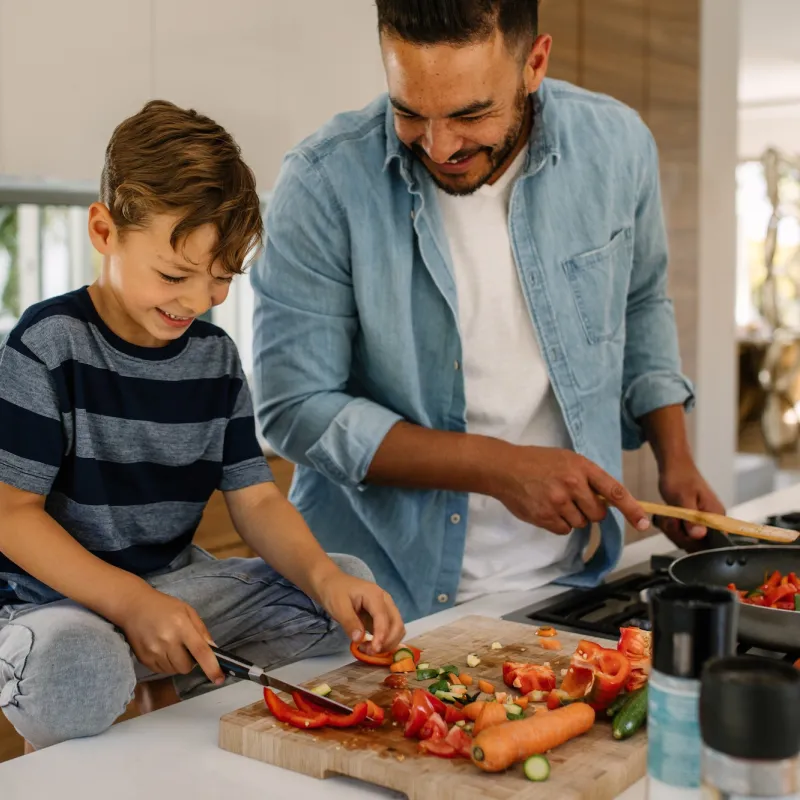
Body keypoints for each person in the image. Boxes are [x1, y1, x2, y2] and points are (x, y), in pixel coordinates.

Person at [250, 0, 724, 623]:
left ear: (534, 63)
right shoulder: (322, 182)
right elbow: (293, 410)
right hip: (369, 599)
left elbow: (640, 301)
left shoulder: (616, 146)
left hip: (564, 585)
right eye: (408, 111)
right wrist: (499, 467)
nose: (439, 145)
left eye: (471, 113)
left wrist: (675, 457)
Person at [0, 100, 405, 750]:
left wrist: (327, 579)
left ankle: (154, 678)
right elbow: (10, 514)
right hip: (51, 606)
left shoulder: (214, 358)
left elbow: (257, 499)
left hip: (174, 589)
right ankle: (139, 679)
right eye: (174, 274)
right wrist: (130, 604)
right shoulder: (46, 345)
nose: (197, 300)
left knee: (340, 590)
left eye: (221, 279)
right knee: (72, 664)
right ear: (104, 232)